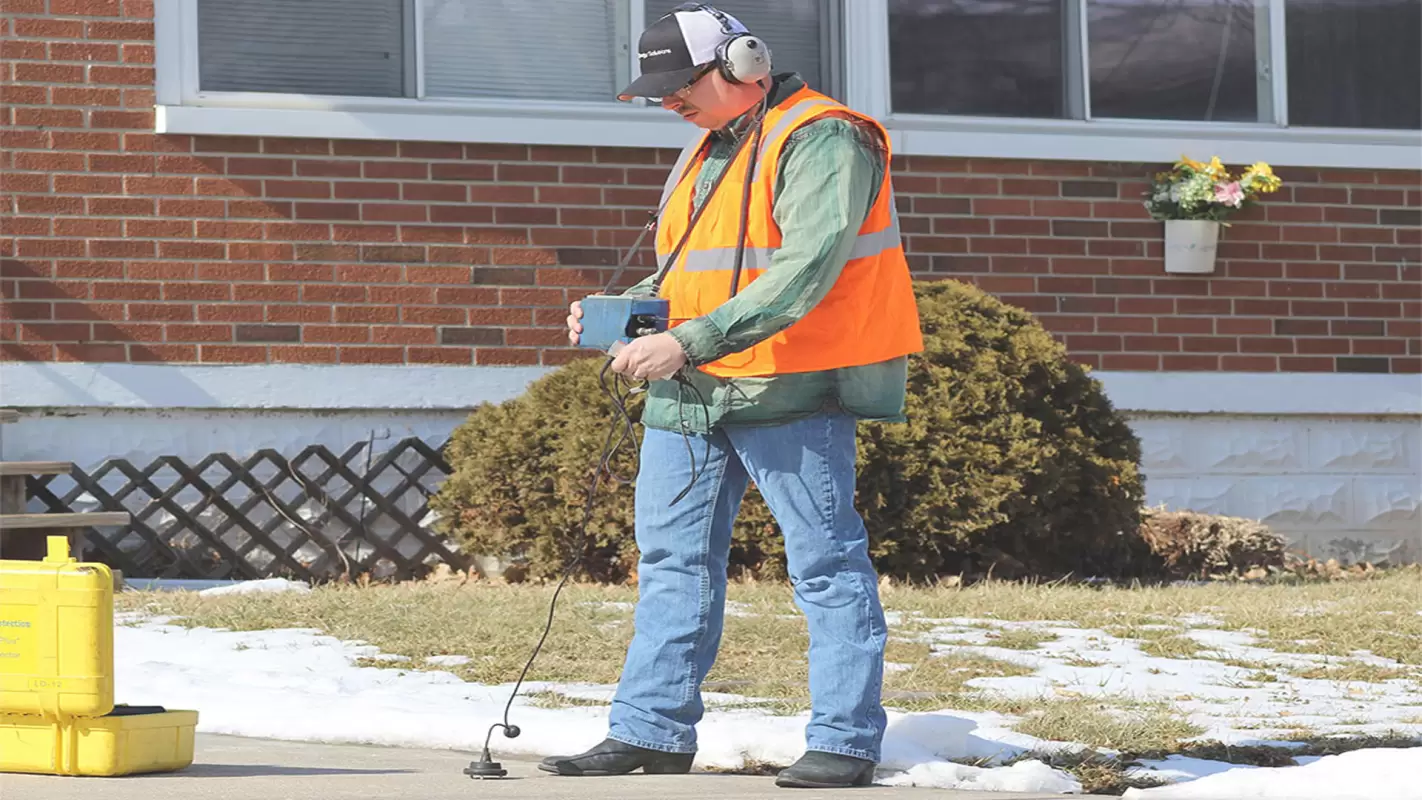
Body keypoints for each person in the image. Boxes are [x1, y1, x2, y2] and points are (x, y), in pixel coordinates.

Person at [542, 3, 924, 790]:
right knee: (672, 560)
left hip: (791, 385)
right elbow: (691, 272)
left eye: (678, 84)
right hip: (693, 388)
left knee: (825, 563)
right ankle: (650, 731)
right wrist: (627, 312)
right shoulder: (704, 152)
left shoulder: (825, 137)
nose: (666, 100)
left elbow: (805, 270)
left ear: (743, 66)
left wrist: (688, 339)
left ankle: (846, 743)